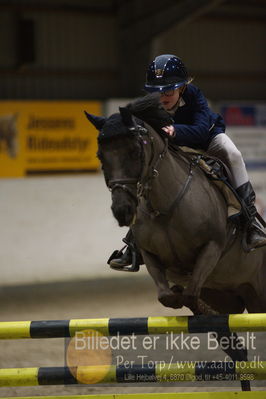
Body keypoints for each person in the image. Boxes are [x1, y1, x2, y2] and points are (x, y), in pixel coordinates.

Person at [109, 54, 266, 269]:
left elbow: (201, 130)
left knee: (234, 154)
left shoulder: (194, 95)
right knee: (148, 177)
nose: (162, 97)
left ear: (182, 88)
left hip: (207, 139)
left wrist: (175, 130)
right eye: (157, 91)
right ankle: (133, 246)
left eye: (168, 91)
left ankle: (251, 224)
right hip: (175, 147)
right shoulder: (150, 102)